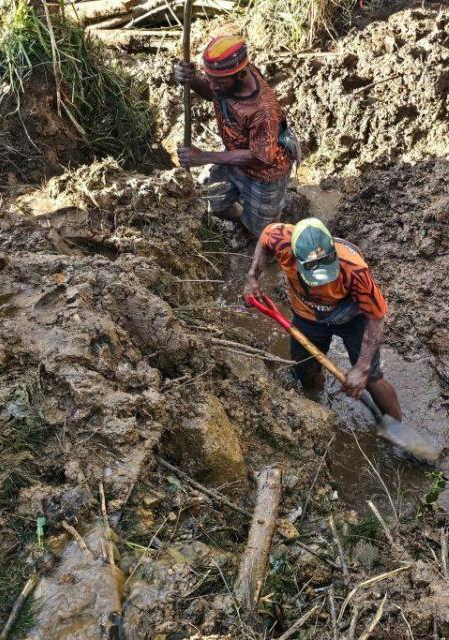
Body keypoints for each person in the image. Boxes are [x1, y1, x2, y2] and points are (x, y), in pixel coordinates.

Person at [244, 218, 403, 420]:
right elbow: (265, 237)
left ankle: (397, 426)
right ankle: (316, 407)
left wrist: (361, 368)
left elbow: (375, 318)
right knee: (304, 371)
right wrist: (253, 277)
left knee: (372, 378)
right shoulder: (280, 239)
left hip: (352, 318)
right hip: (307, 315)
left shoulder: (355, 269)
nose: (321, 285)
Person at [172, 35, 298, 237]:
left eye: (218, 81)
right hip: (235, 157)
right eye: (208, 77)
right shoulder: (229, 81)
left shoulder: (262, 110)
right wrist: (192, 80)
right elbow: (213, 92)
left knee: (263, 231)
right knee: (214, 201)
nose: (212, 85)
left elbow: (260, 156)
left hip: (265, 172)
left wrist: (204, 157)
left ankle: (262, 240)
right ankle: (244, 221)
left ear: (241, 75)